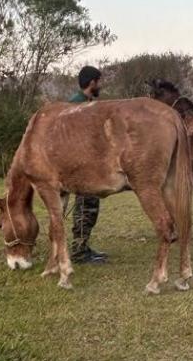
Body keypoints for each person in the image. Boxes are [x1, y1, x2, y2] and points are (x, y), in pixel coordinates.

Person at [68, 65, 108, 264]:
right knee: (85, 207)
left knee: (90, 207)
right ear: (92, 82)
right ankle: (78, 252)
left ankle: (83, 247)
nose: (100, 85)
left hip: (91, 164)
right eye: (99, 81)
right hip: (82, 165)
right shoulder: (77, 105)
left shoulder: (89, 102)